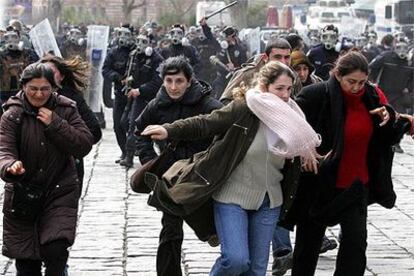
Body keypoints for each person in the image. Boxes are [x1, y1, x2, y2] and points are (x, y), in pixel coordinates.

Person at [141, 61, 321, 275]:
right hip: (232, 197)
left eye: (289, 89)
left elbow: (304, 148)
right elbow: (206, 123)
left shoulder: (294, 118)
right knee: (236, 260)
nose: (285, 95)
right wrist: (168, 130)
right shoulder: (245, 108)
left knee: (255, 270)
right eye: (279, 88)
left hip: (269, 200)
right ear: (264, 86)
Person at [288, 51, 413, 276]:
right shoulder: (316, 96)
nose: (356, 88)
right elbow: (288, 126)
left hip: (356, 185)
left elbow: (387, 133)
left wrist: (392, 119)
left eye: (362, 82)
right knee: (308, 248)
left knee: (356, 247)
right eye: (351, 82)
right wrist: (304, 150)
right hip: (320, 185)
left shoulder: (373, 97)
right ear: (337, 75)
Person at [0, 63, 94, 276]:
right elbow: (3, 150)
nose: (39, 94)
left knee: (56, 250)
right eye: (33, 88)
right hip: (23, 195)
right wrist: (10, 166)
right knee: (27, 263)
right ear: (23, 86)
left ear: (54, 88)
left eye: (45, 89)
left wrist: (56, 124)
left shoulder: (66, 109)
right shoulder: (12, 115)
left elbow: (84, 144)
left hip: (60, 191)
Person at [135, 56, 223, 276]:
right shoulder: (157, 105)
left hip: (200, 174)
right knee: (170, 229)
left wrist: (211, 159)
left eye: (179, 81)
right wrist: (149, 161)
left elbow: (225, 125)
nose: (174, 87)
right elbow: (139, 132)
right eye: (169, 81)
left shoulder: (206, 103)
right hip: (170, 176)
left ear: (189, 81)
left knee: (215, 226)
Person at [40, 54, 102, 185]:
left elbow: (94, 131)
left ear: (61, 77)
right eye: (42, 72)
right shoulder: (27, 100)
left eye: (51, 72)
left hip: (68, 168)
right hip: (36, 171)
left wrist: (70, 141)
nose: (46, 76)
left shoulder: (72, 100)